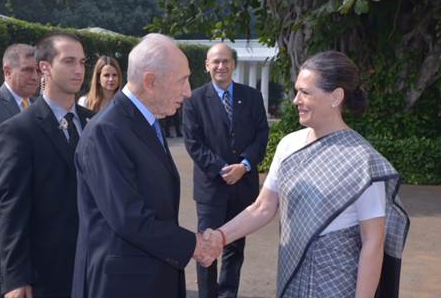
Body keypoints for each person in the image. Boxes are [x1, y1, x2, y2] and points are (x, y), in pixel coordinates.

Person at [204, 51, 410, 298]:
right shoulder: (289, 145)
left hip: (337, 285)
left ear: (336, 96)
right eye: (296, 91)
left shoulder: (363, 162)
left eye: (306, 92)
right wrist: (219, 236)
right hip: (292, 278)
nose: (296, 100)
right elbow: (263, 208)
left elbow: (373, 242)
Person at [71, 33, 221, 298]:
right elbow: (129, 218)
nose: (188, 92)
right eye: (182, 81)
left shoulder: (145, 121)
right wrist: (194, 246)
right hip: (123, 285)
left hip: (150, 277)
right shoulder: (106, 131)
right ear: (150, 81)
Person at [0, 32, 95, 298]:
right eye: (69, 61)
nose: (79, 70)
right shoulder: (18, 130)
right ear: (45, 67)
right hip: (48, 274)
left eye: (83, 62)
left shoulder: (96, 123)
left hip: (97, 266)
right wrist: (16, 279)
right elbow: (11, 209)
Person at [183, 43, 269, 298]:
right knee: (207, 247)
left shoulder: (252, 96)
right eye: (215, 61)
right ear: (207, 65)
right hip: (211, 188)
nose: (221, 66)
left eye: (226, 61)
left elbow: (262, 134)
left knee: (235, 247)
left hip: (243, 185)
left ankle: (228, 294)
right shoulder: (194, 99)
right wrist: (222, 169)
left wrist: (244, 166)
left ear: (234, 64)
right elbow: (193, 143)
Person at [0, 44, 39, 298]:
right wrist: (21, 182)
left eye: (38, 70)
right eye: (27, 70)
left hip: (36, 218)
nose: (35, 76)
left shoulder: (39, 106)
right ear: (7, 71)